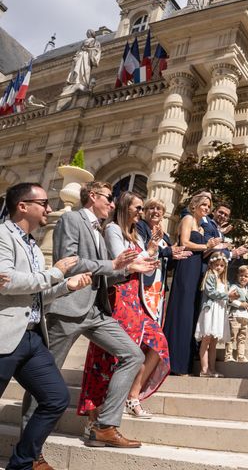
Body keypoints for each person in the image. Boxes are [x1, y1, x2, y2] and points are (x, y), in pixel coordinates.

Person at [23, 181, 155, 449]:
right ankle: (28, 446)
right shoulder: (71, 219)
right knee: (46, 375)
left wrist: (132, 268)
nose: (112, 203)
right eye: (109, 198)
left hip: (96, 310)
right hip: (68, 308)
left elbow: (108, 270)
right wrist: (112, 264)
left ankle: (105, 426)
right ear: (92, 197)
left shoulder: (101, 229)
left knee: (133, 354)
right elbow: (69, 262)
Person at [0, 183, 91, 470]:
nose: (49, 209)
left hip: (31, 338)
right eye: (44, 203)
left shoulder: (33, 246)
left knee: (55, 398)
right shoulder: (2, 235)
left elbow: (35, 292)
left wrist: (66, 285)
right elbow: (7, 282)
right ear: (23, 206)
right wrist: (55, 273)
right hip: (4, 335)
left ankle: (22, 464)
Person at [77, 191, 169, 425]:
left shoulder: (136, 234)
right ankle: (94, 412)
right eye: (138, 208)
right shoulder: (113, 229)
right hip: (118, 295)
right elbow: (122, 261)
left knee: (158, 342)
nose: (142, 212)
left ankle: (132, 396)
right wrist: (140, 262)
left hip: (135, 298)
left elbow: (142, 263)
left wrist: (150, 249)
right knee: (108, 355)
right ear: (125, 208)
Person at [164, 193, 221, 375]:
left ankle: (184, 363)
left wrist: (213, 246)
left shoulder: (203, 229)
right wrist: (206, 246)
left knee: (191, 312)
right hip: (186, 267)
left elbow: (202, 251)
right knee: (182, 310)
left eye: (208, 206)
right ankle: (172, 362)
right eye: (203, 205)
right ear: (195, 205)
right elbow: (184, 242)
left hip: (198, 268)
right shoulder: (187, 218)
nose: (206, 208)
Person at [136, 198, 191, 326]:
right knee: (143, 319)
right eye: (151, 208)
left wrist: (175, 256)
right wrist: (169, 251)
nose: (155, 211)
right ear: (145, 211)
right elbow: (145, 249)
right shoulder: (140, 226)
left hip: (159, 283)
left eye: (159, 209)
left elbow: (168, 259)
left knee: (156, 319)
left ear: (163, 213)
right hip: (143, 281)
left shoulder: (165, 236)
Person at [195, 252, 237, 377]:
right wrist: (227, 295)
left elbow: (227, 297)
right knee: (206, 339)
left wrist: (232, 297)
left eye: (222, 265)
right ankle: (204, 369)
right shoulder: (210, 276)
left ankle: (212, 369)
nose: (219, 267)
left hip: (220, 311)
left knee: (213, 342)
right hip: (210, 310)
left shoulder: (225, 281)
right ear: (211, 264)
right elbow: (210, 292)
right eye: (217, 265)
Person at [225, 264, 248, 363]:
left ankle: (241, 356)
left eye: (246, 276)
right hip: (235, 315)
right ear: (238, 276)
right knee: (232, 336)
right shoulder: (234, 287)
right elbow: (229, 299)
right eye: (241, 275)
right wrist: (240, 304)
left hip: (244, 317)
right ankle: (228, 355)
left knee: (242, 337)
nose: (243, 278)